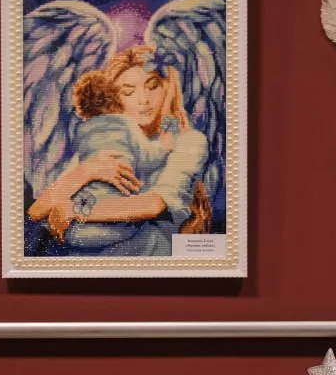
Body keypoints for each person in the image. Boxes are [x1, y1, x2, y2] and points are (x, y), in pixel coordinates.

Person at [27, 47, 209, 255]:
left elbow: (154, 204)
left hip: (148, 257)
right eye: (128, 92)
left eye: (152, 87)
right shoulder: (104, 145)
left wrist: (75, 209)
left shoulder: (187, 141)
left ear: (167, 89)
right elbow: (36, 212)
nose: (143, 100)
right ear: (112, 98)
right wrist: (87, 171)